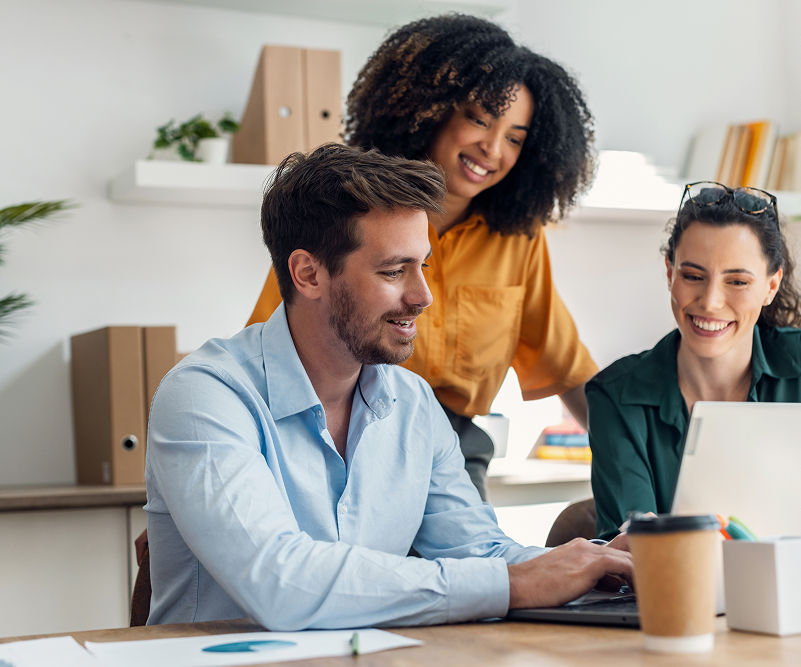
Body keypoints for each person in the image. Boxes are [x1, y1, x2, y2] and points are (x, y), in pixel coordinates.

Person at [144, 144, 631, 629]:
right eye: (394, 271)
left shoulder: (414, 403)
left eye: (423, 265)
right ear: (308, 274)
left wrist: (597, 564)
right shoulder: (204, 396)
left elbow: (479, 550)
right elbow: (280, 581)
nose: (423, 296)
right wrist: (512, 585)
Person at [246, 15, 598, 499]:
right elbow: (267, 351)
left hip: (452, 449)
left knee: (480, 569)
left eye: (515, 137)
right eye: (479, 118)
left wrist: (647, 467)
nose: (492, 148)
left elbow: (566, 368)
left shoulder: (520, 239)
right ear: (429, 110)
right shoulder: (346, 210)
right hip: (337, 437)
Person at [585, 182, 801, 569]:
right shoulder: (615, 395)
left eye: (737, 281)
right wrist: (795, 533)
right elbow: (633, 557)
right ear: (670, 272)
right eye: (692, 276)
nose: (710, 301)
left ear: (771, 286)